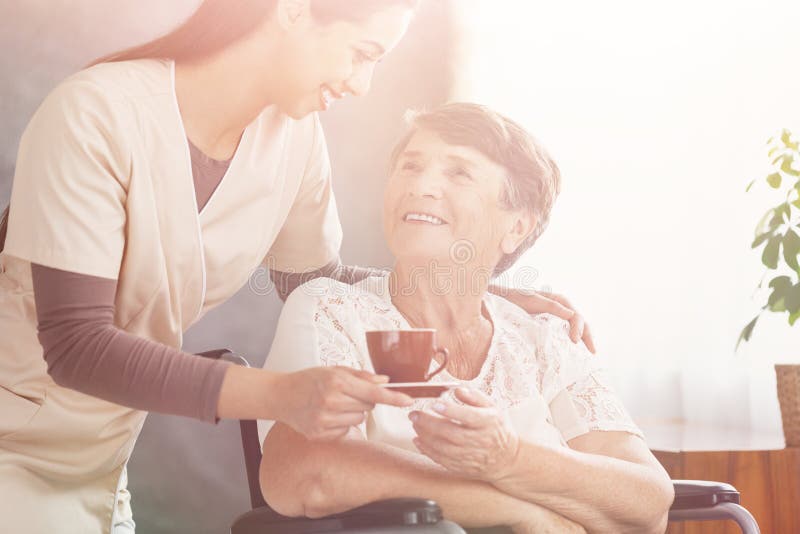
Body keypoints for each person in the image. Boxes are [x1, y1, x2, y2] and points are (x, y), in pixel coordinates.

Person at [0, 2, 593, 532]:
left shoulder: (294, 137)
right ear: (290, 10)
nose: (362, 85)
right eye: (362, 54)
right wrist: (280, 395)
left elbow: (308, 279)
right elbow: (75, 344)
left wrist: (476, 292)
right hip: (13, 448)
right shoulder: (95, 113)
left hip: (102, 459)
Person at [258, 103, 675, 533]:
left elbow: (648, 502)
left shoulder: (544, 337)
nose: (421, 184)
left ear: (516, 228)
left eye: (458, 173)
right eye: (410, 165)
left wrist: (508, 458)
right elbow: (311, 470)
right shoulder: (332, 311)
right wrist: (523, 513)